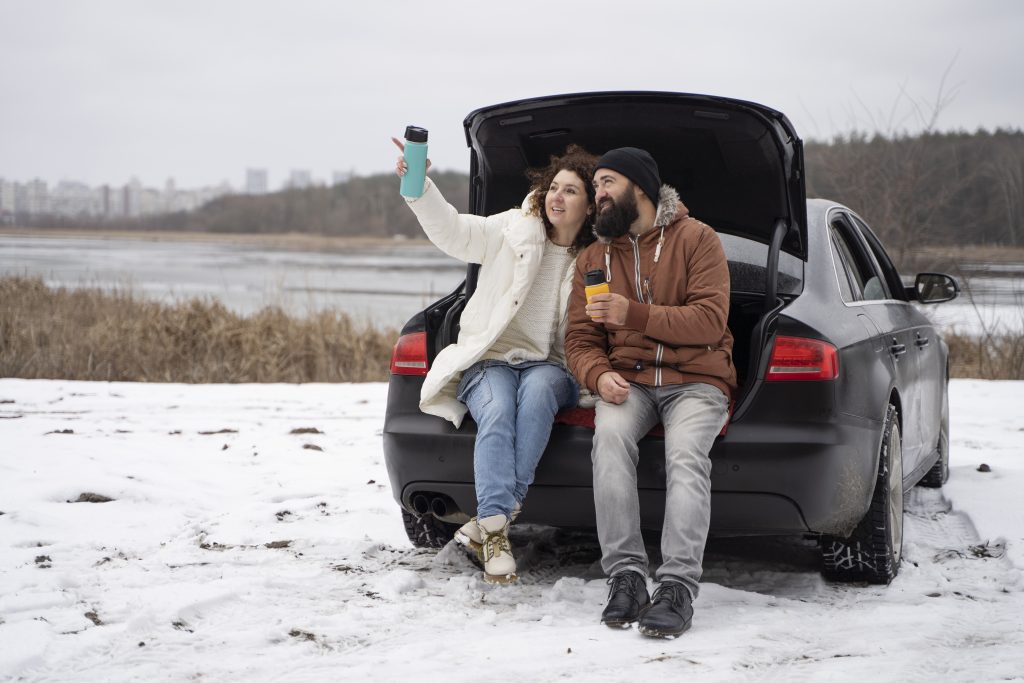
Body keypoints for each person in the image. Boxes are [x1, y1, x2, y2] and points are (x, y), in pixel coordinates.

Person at [394, 139, 597, 584]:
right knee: (499, 411)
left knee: (541, 390)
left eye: (571, 191)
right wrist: (419, 186)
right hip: (491, 360)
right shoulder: (512, 229)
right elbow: (453, 232)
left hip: (552, 365)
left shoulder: (596, 258)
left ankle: (488, 526)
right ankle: (495, 527)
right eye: (554, 188)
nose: (557, 197)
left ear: (590, 205)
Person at [564, 147, 737, 638]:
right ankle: (626, 578)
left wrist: (632, 315)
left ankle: (678, 586)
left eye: (607, 182)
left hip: (697, 381)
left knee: (685, 455)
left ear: (640, 187)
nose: (598, 193)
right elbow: (579, 340)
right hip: (630, 381)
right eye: (595, 184)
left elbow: (709, 321)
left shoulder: (697, 239)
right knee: (609, 442)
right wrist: (597, 376)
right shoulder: (594, 258)